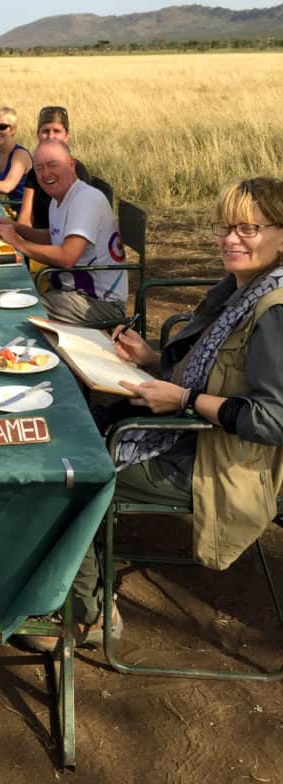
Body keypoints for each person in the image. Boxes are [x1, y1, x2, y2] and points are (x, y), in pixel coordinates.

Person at [45, 176, 283, 652]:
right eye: (224, 227)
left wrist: (183, 401)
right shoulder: (243, 286)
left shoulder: (273, 308)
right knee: (75, 421)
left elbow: (274, 419)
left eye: (248, 229)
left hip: (222, 464)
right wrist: (153, 359)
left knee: (71, 474)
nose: (230, 239)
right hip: (193, 435)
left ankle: (90, 618)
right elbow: (217, 368)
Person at [0, 139, 127, 324]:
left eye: (53, 165)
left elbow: (67, 256)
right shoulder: (58, 199)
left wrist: (18, 242)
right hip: (70, 293)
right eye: (39, 168)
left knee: (16, 314)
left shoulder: (86, 200)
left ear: (72, 164)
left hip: (98, 302)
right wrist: (16, 227)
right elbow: (54, 236)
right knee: (1, 293)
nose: (46, 174)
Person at [16, 106, 91, 229]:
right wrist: (20, 235)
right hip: (39, 237)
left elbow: (79, 226)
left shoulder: (75, 170)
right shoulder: (34, 172)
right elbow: (25, 217)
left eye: (57, 131)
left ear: (67, 136)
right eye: (45, 131)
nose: (51, 136)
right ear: (38, 135)